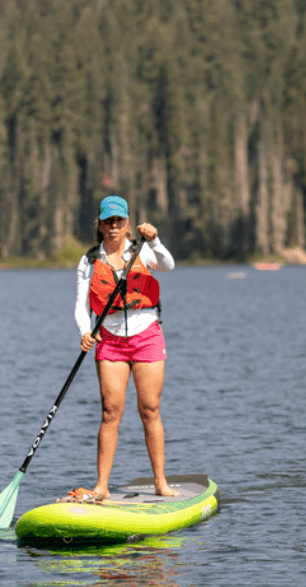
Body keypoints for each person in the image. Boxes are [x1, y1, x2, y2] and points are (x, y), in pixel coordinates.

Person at [76, 195, 179, 498]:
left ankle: (160, 482)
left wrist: (156, 240)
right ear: (100, 225)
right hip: (110, 340)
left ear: (128, 224)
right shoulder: (90, 260)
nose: (113, 226)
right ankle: (102, 486)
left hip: (146, 335)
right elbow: (81, 306)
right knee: (110, 411)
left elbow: (168, 266)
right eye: (108, 221)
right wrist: (85, 331)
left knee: (149, 409)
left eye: (119, 221)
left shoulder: (144, 251)